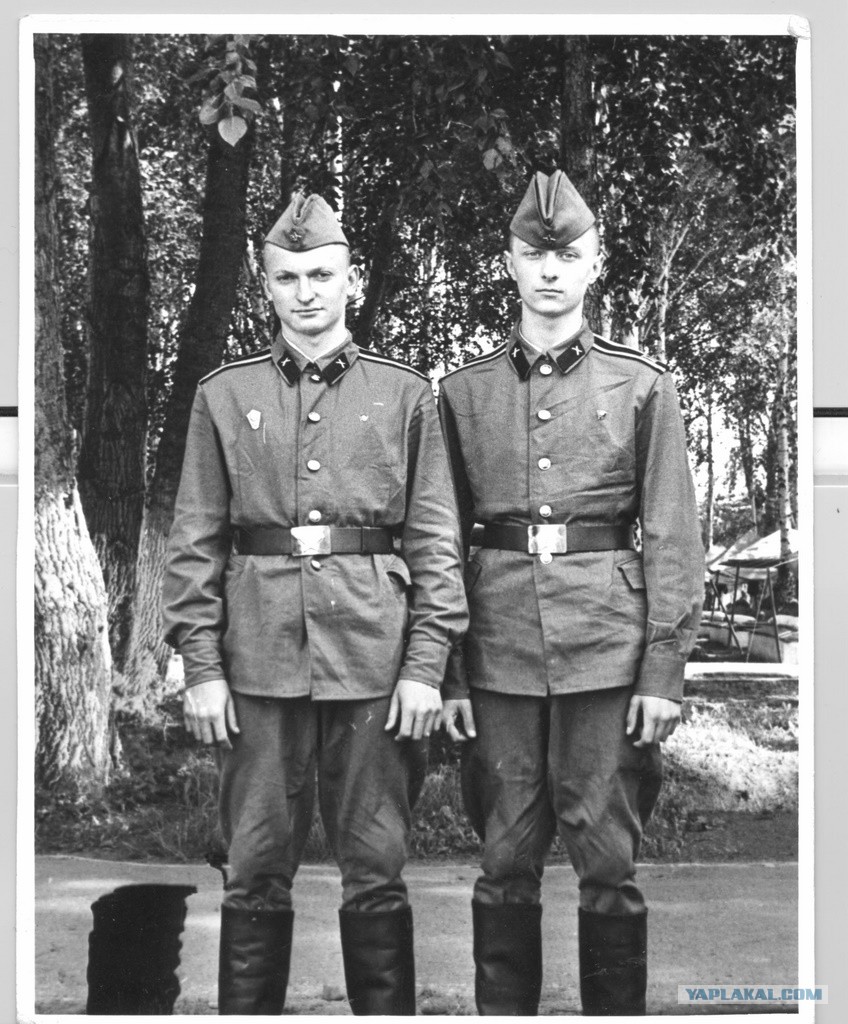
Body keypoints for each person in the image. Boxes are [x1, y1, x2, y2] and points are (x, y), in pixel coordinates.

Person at [162, 192, 467, 1015]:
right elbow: (195, 540)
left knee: (377, 869)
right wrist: (201, 668)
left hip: (374, 663)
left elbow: (436, 544)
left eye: (321, 275)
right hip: (256, 664)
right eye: (288, 277)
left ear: (350, 280)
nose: (305, 292)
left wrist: (426, 668)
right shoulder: (224, 395)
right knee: (254, 867)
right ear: (266, 285)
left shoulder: (405, 395)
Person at [438, 169, 704, 1015]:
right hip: (499, 651)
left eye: (568, 255)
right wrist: (449, 673)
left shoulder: (642, 385)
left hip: (607, 652)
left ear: (595, 263)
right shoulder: (462, 393)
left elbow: (672, 538)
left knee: (609, 863)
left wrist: (663, 672)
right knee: (504, 860)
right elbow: (440, 544)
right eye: (534, 255)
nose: (550, 270)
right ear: (509, 263)